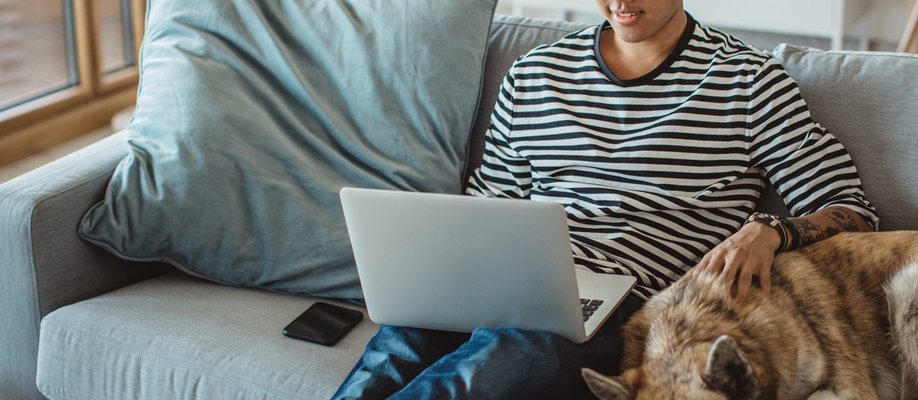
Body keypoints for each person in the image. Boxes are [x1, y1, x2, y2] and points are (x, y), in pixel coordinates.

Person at [332, 0, 877, 398]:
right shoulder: (534, 76)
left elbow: (853, 210)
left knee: (478, 376)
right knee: (395, 348)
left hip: (625, 304)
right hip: (509, 277)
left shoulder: (749, 81)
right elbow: (487, 205)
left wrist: (771, 230)